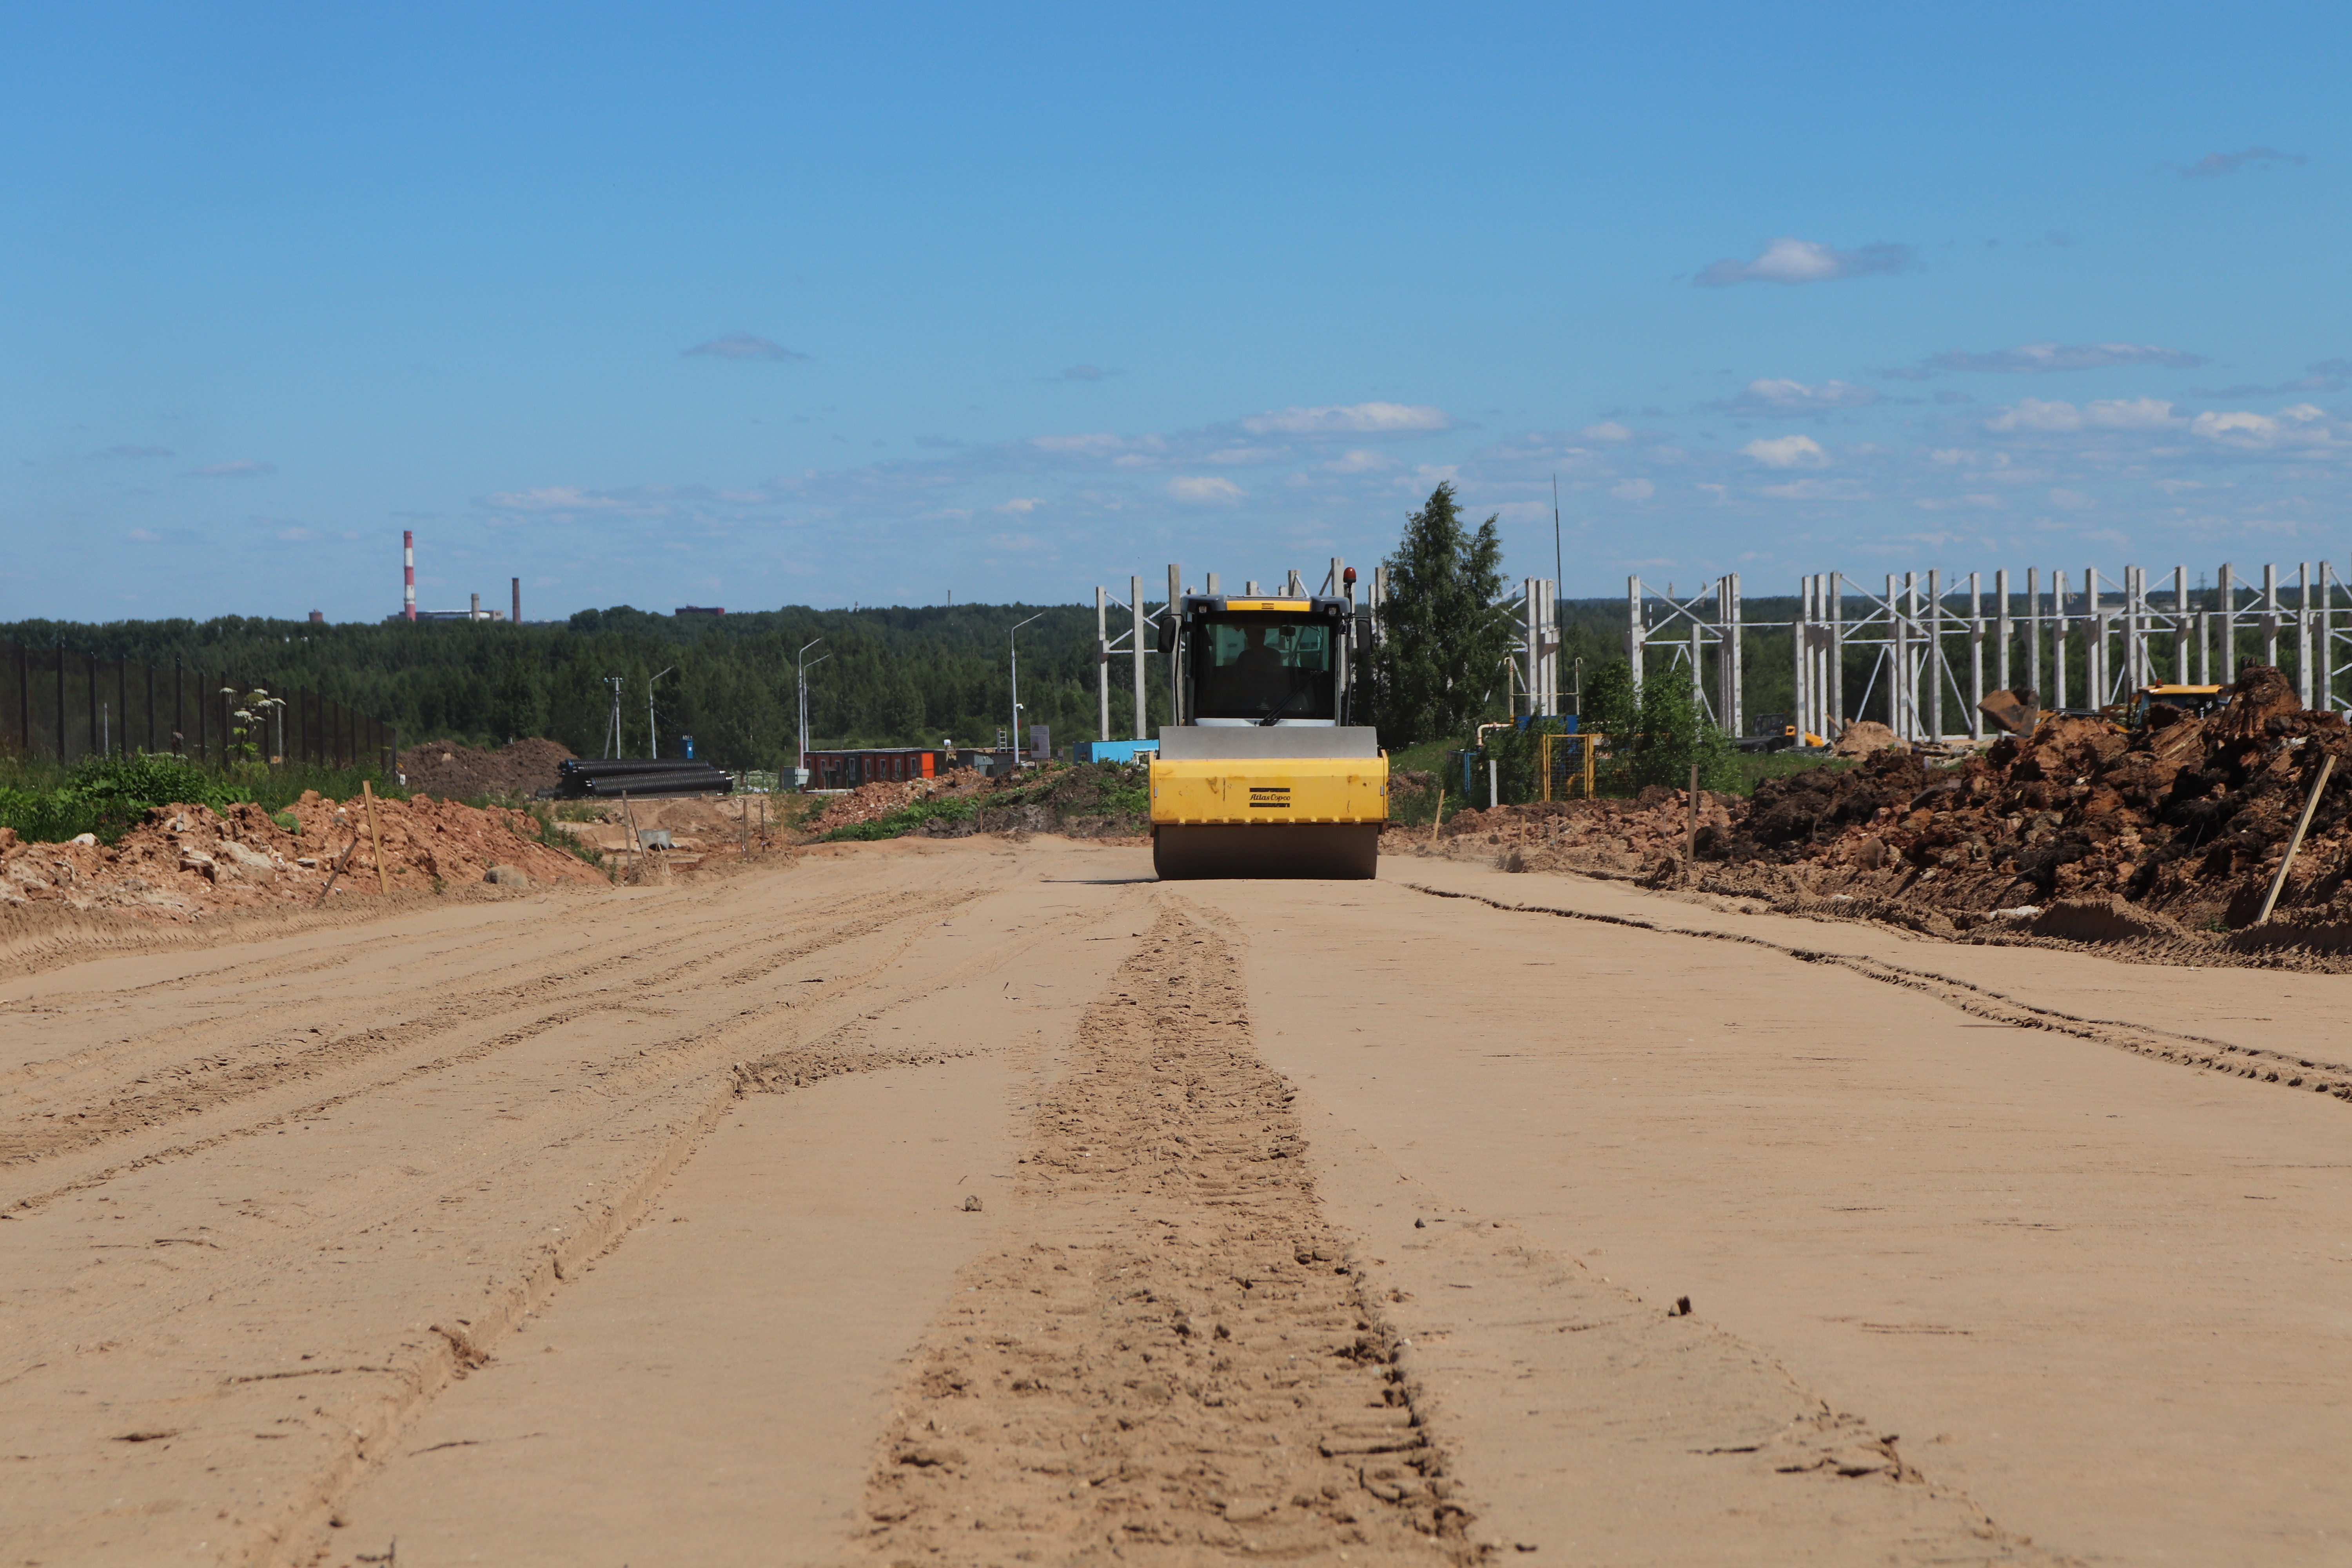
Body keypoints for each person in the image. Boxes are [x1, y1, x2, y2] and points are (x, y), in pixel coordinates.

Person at [1228, 624, 1289, 712]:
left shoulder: (1274, 655)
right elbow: (1237, 678)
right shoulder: (1244, 656)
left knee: (1288, 708)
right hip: (1249, 697)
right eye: (1248, 636)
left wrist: (1258, 669)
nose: (1249, 639)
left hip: (1273, 696)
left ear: (1262, 636)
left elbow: (1275, 675)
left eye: (1253, 635)